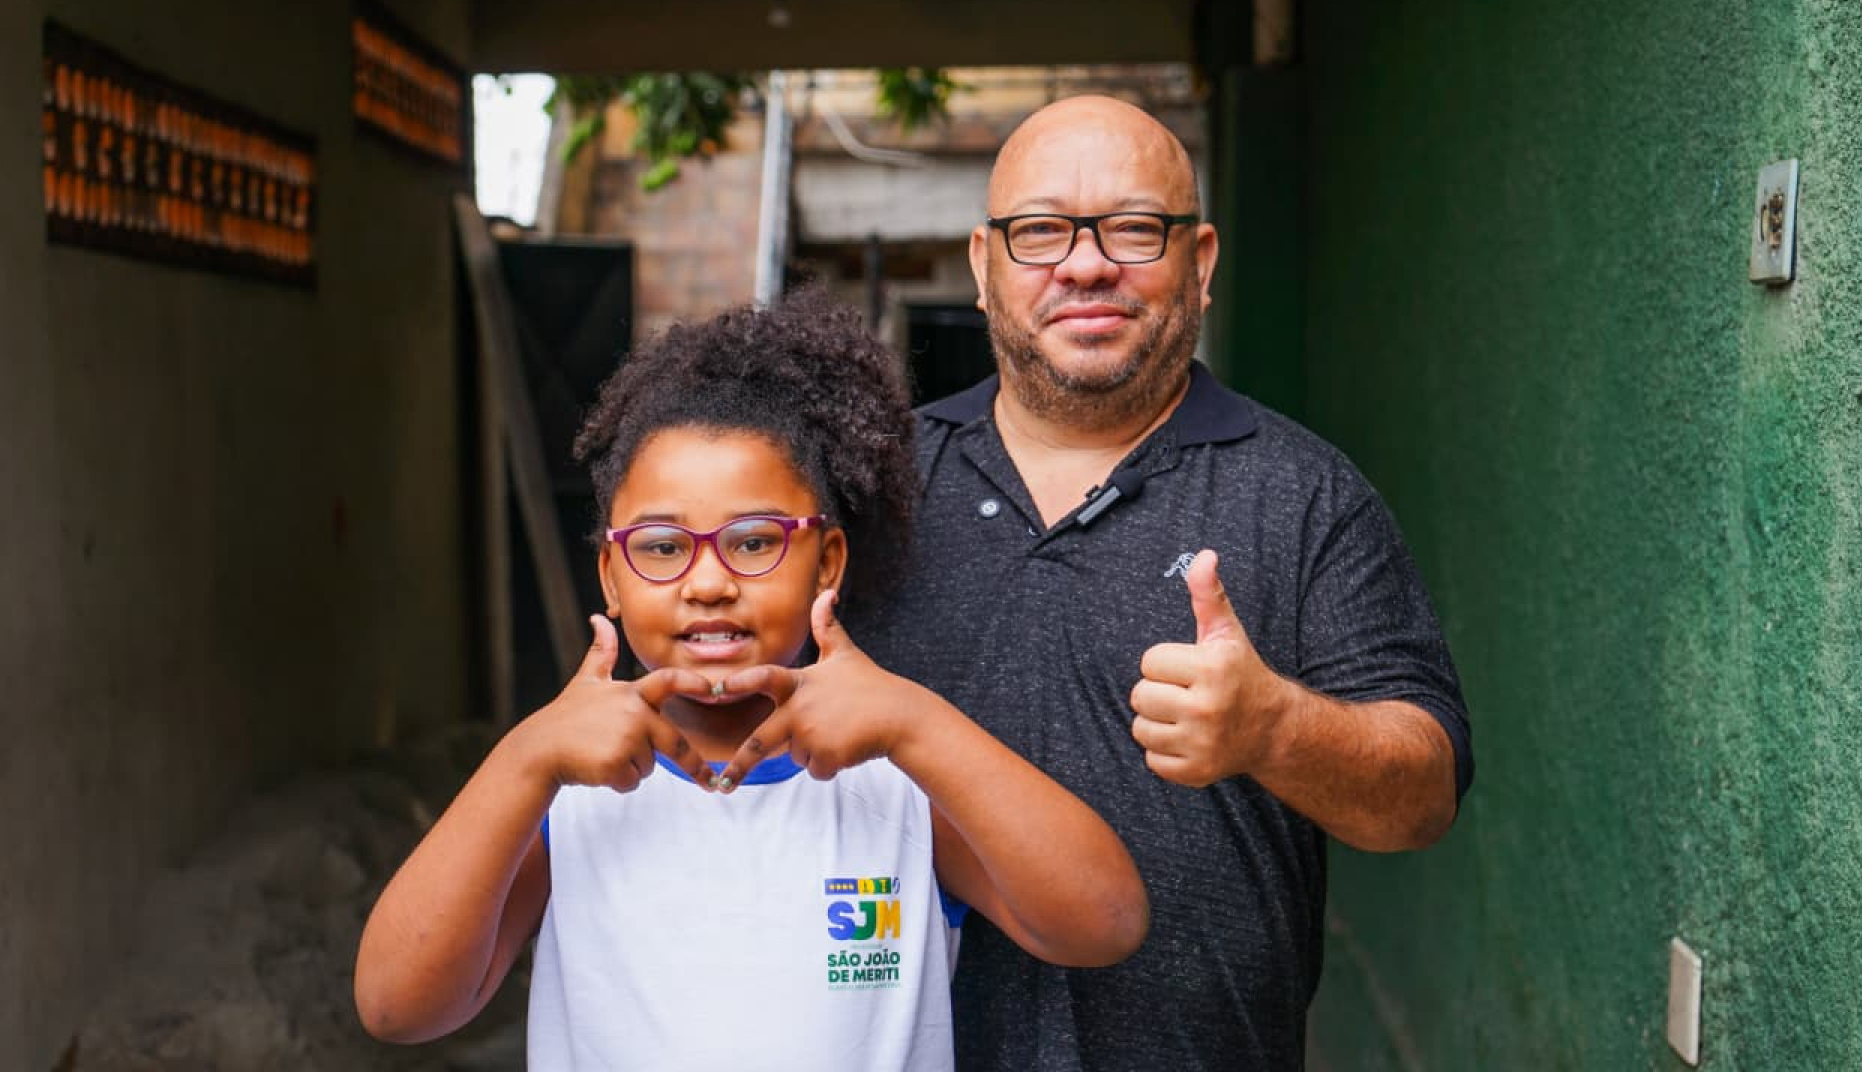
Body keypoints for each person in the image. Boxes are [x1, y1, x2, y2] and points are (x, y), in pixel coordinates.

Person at [822, 95, 1476, 1070]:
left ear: (1200, 263)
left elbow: (1421, 798)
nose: (1086, 265)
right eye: (1040, 231)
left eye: (1133, 229)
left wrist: (1274, 729)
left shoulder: (1303, 494)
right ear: (982, 265)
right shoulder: (868, 495)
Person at [352, 290, 1147, 1070]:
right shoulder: (565, 799)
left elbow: (1103, 924)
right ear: (612, 578)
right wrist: (523, 759)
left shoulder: (901, 784)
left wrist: (916, 724)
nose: (707, 583)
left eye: (755, 540)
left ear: (827, 562)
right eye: (662, 547)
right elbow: (398, 1007)